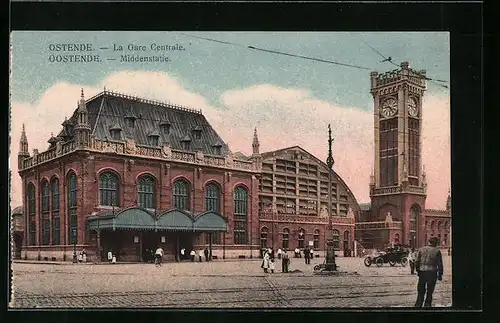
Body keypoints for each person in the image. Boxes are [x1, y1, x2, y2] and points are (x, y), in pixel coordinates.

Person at [414, 237, 444, 308]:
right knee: (430, 291)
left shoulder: (421, 249)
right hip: (432, 272)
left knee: (421, 290)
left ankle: (418, 305)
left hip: (422, 272)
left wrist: (418, 271)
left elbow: (417, 261)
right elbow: (440, 264)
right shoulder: (437, 251)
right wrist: (440, 274)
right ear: (436, 243)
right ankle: (427, 305)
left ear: (429, 242)